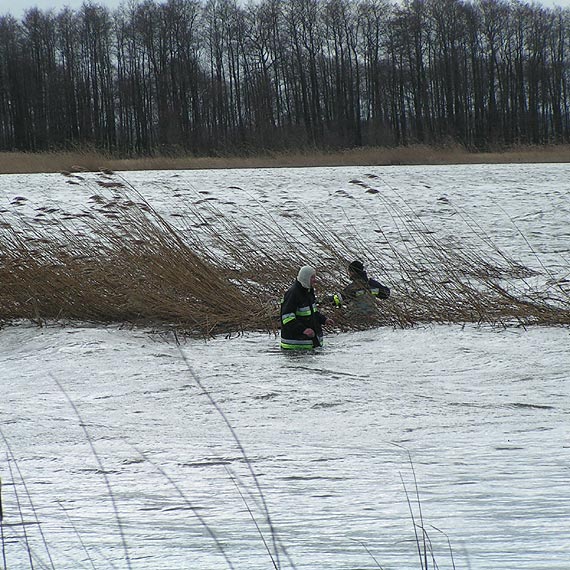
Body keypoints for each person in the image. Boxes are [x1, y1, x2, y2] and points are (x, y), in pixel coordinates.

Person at [280, 265, 334, 350]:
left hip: (309, 345)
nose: (315, 280)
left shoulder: (308, 291)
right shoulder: (293, 293)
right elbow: (287, 318)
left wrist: (324, 320)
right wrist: (303, 330)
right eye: (312, 277)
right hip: (294, 346)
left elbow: (313, 313)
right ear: (305, 278)